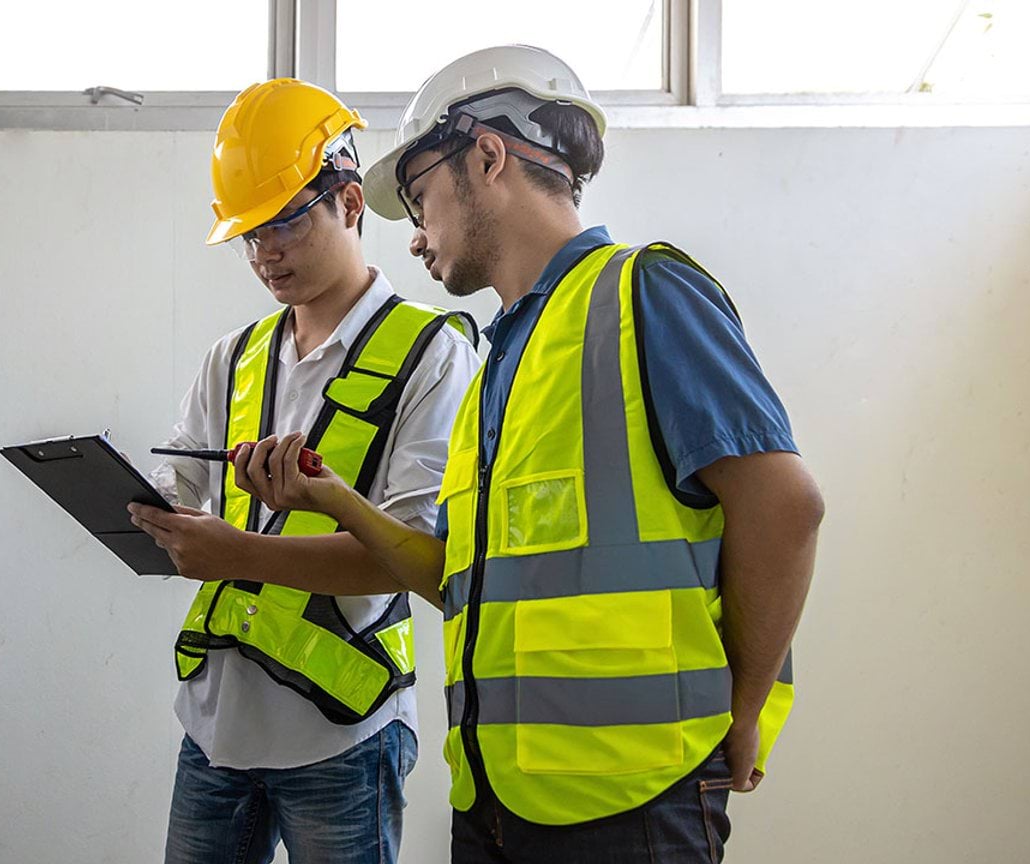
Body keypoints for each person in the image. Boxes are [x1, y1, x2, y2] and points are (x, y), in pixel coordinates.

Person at [222, 46, 825, 863]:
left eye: (421, 197)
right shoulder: (498, 361)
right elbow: (457, 582)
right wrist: (337, 503)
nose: (415, 237)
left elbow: (785, 505)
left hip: (636, 802)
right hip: (499, 801)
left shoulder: (641, 294)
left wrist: (745, 711)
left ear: (489, 156)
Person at [126, 78, 479, 864]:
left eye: (285, 222)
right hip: (215, 729)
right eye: (251, 234)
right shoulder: (235, 357)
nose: (266, 254)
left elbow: (416, 552)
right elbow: (179, 495)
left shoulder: (432, 355)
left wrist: (236, 553)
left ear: (350, 203)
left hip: (344, 734)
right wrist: (145, 513)